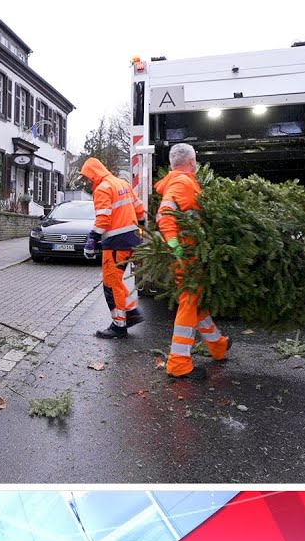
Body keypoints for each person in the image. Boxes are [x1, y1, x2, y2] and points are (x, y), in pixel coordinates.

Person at [155, 143, 230, 379]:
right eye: (195, 161)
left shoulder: (179, 182)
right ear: (192, 162)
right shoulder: (183, 182)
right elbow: (165, 214)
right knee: (189, 303)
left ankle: (218, 345)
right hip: (187, 255)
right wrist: (175, 244)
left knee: (195, 302)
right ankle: (178, 364)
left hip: (190, 254)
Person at [80, 157, 146, 338]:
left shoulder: (103, 189)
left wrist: (92, 240)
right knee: (116, 281)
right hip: (131, 240)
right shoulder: (120, 183)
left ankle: (119, 325)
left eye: (87, 177)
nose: (87, 181)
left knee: (111, 284)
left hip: (116, 243)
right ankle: (131, 312)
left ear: (93, 175)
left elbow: (103, 218)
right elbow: (140, 210)